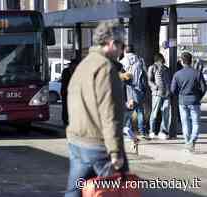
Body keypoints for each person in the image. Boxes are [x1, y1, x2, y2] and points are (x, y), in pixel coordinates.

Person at [65, 21, 128, 197]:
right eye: (121, 45)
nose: (122, 50)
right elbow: (110, 113)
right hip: (99, 146)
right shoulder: (106, 68)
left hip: (77, 141)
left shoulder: (84, 65)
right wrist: (115, 152)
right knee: (116, 191)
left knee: (75, 191)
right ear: (111, 43)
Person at [171, 52, 206, 153]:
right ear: (191, 61)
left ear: (182, 62)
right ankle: (192, 142)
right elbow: (204, 88)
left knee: (185, 123)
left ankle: (187, 143)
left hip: (182, 101)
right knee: (196, 123)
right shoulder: (197, 73)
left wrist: (180, 95)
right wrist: (198, 96)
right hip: (195, 101)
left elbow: (173, 90)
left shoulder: (177, 74)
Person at [120, 45, 147, 139]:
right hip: (139, 89)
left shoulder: (122, 61)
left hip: (127, 89)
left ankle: (129, 131)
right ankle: (142, 131)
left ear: (125, 51)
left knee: (128, 111)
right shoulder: (140, 60)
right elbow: (145, 74)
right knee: (140, 111)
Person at [147, 53, 172, 140]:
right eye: (161, 58)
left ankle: (163, 131)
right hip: (157, 94)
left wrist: (169, 90)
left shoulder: (166, 69)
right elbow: (149, 80)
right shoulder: (152, 67)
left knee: (166, 113)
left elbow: (169, 81)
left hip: (166, 94)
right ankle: (152, 130)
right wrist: (155, 87)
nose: (162, 60)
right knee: (154, 113)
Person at [61, 58, 80, 126]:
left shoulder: (77, 71)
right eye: (74, 64)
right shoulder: (66, 71)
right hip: (66, 92)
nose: (75, 66)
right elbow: (65, 81)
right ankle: (65, 120)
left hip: (74, 92)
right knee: (65, 107)